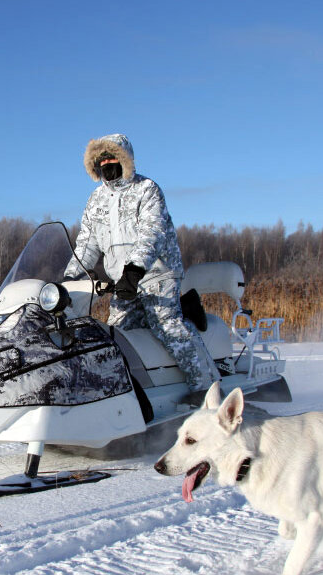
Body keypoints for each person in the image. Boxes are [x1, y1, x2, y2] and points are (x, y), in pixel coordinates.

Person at [64, 133, 218, 403]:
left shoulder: (146, 189)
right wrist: (70, 276)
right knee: (114, 335)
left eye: (112, 159)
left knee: (165, 324)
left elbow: (152, 233)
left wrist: (134, 270)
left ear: (125, 160)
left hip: (157, 274)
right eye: (101, 161)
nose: (107, 165)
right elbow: (87, 242)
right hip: (123, 283)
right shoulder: (96, 199)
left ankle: (207, 388)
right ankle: (122, 396)